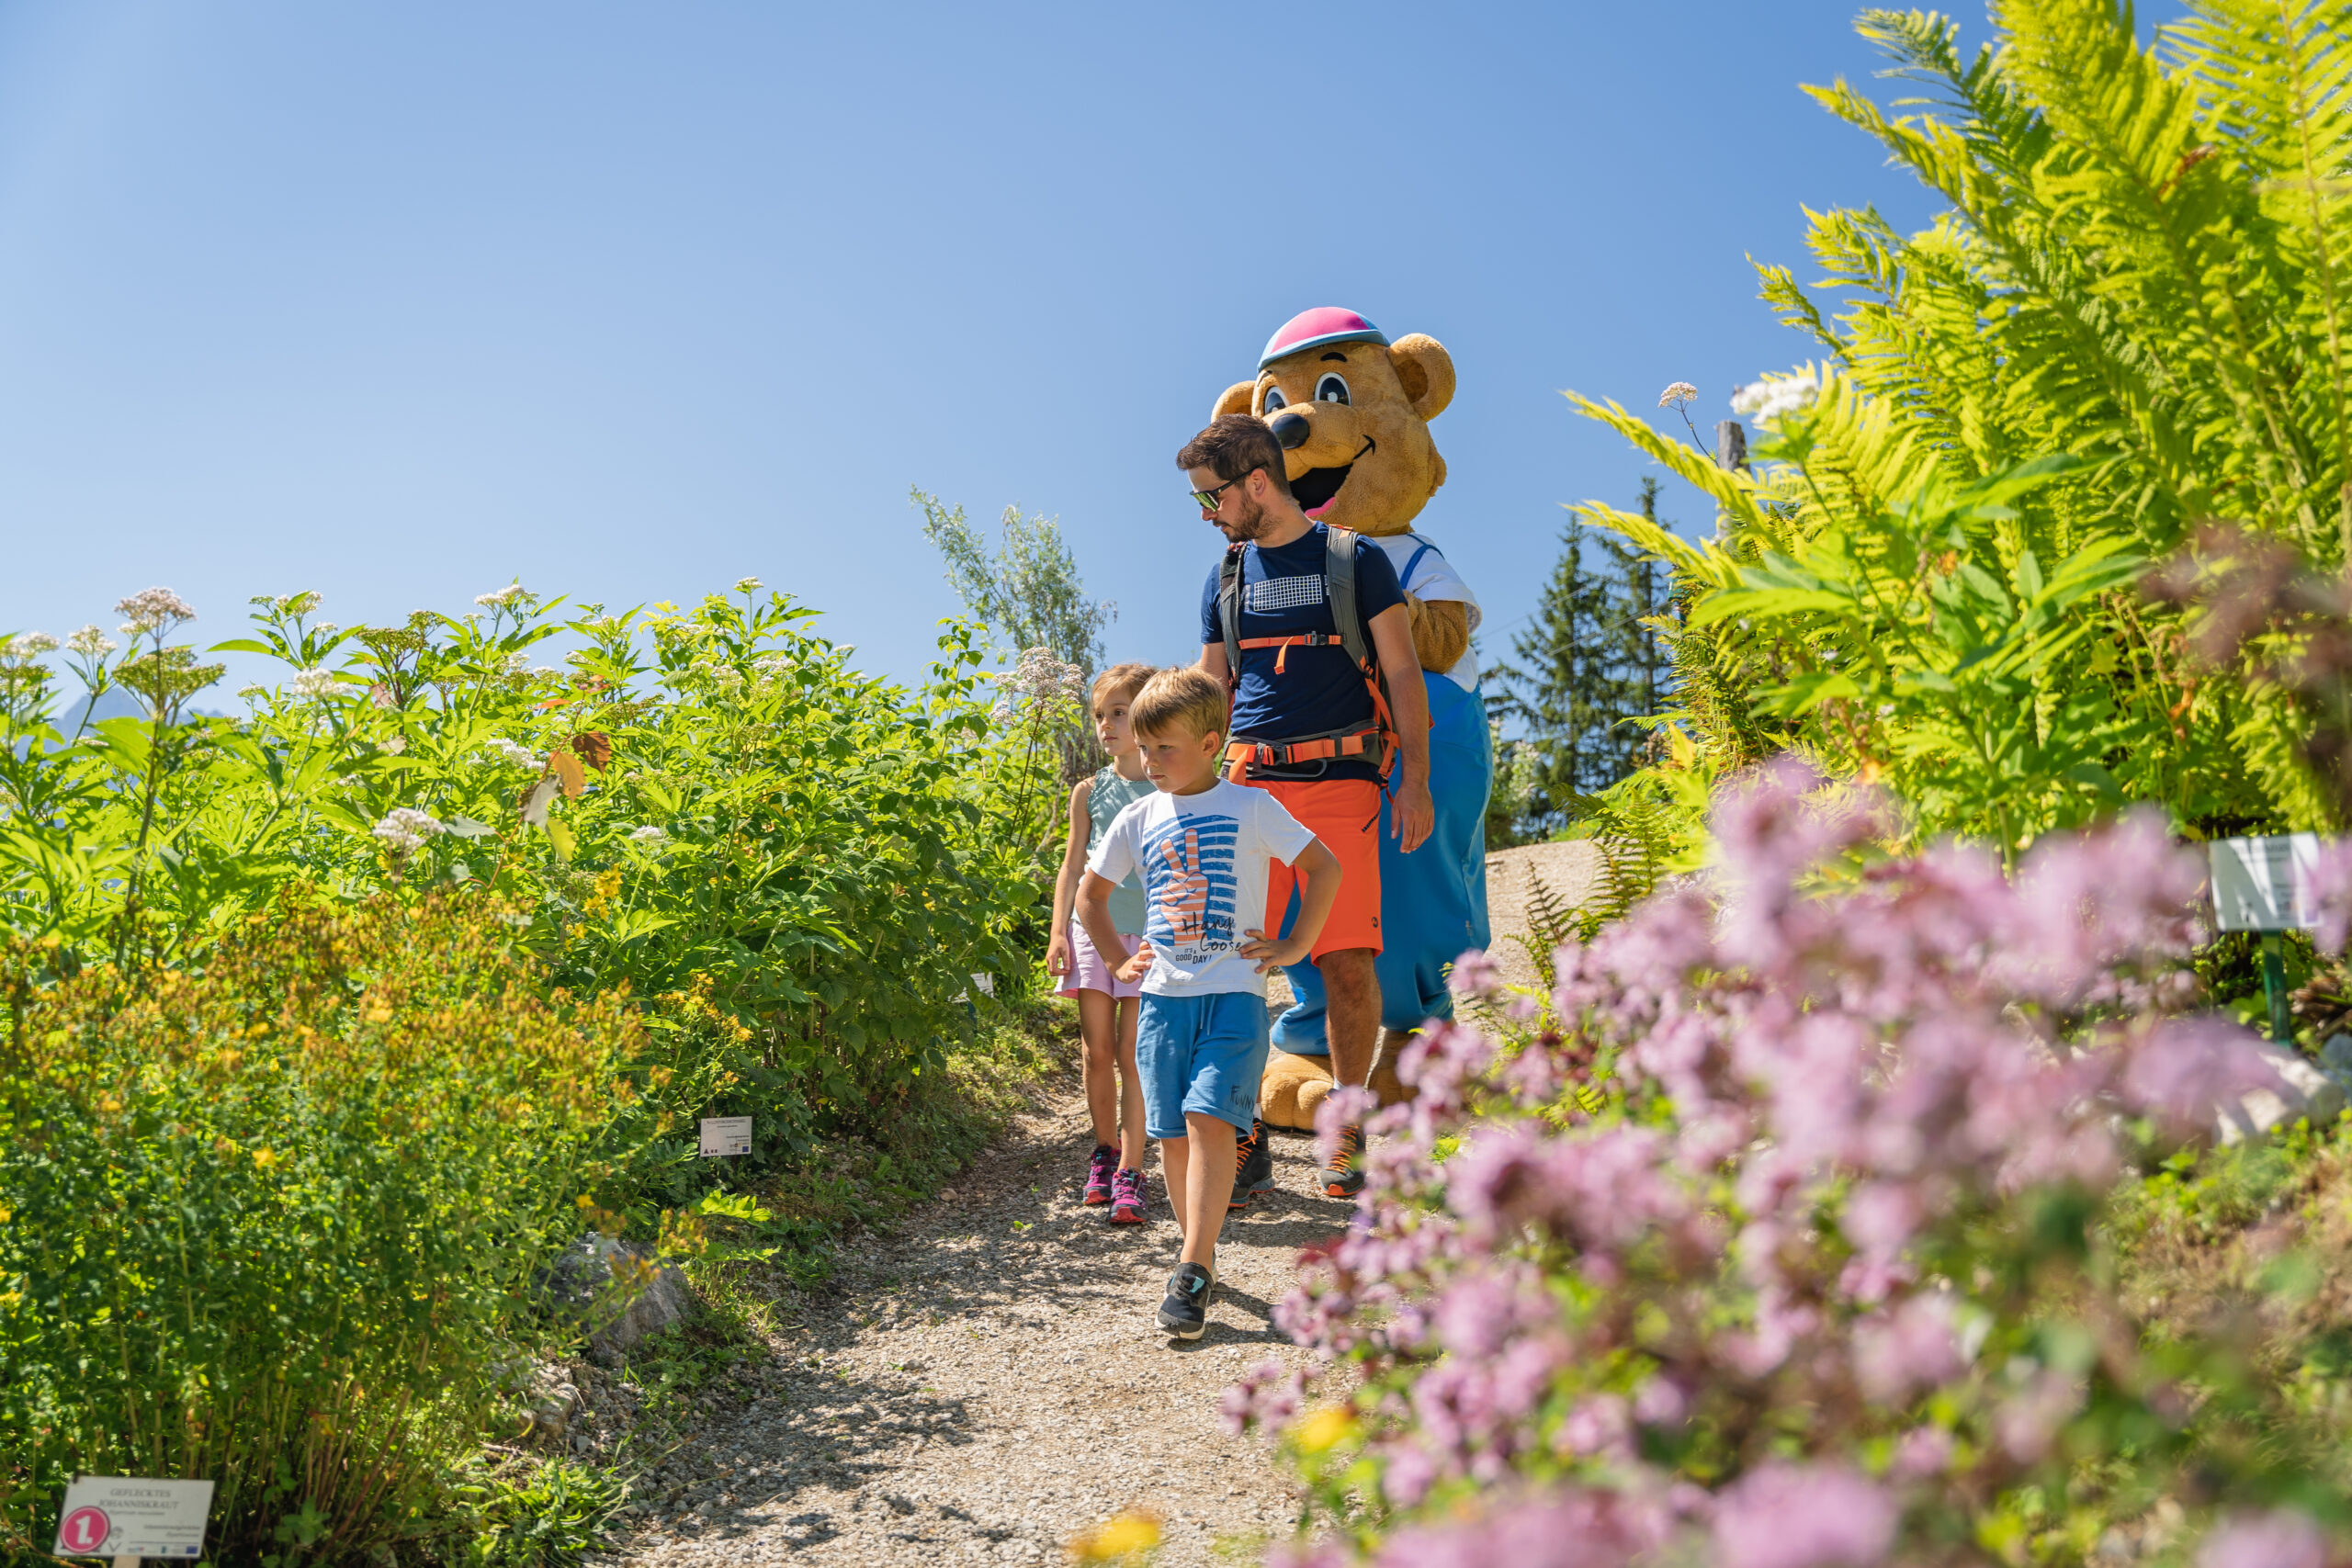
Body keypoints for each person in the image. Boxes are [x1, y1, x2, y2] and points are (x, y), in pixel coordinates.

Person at [1179, 413, 1432, 1199]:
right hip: (1248, 789)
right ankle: (1246, 1124)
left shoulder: (1357, 561)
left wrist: (1416, 778)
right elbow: (1210, 688)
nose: (1208, 513)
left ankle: (1346, 1128)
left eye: (1212, 497)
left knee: (1347, 963)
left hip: (1342, 785)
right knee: (1235, 966)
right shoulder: (1223, 576)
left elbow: (1403, 674)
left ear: (1259, 482)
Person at [1076, 667, 1339, 1340]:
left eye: (1166, 747)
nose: (1151, 761)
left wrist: (1295, 943)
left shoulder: (1249, 807)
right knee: (1171, 1132)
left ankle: (1191, 1265)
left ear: (1212, 742)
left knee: (1207, 1118)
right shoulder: (1137, 817)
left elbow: (1323, 867)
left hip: (1235, 997)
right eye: (1145, 747)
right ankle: (1201, 1251)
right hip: (1162, 1002)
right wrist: (1114, 958)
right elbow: (1090, 896)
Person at [1045, 661, 1160, 1224]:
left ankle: (1134, 1171)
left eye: (1119, 713)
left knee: (1135, 1055)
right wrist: (1058, 930)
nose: (1106, 725)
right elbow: (1071, 866)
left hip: (1150, 939)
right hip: (1094, 932)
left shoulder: (1169, 785)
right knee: (1097, 1053)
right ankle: (1105, 1151)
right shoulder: (1089, 791)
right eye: (1100, 715)